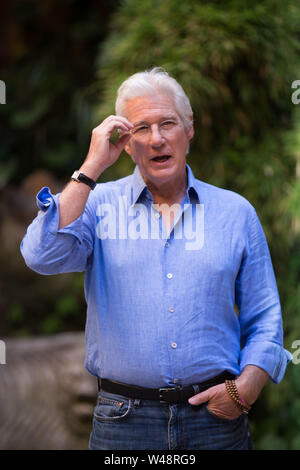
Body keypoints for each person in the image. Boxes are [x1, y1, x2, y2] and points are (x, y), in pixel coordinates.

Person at [20, 67, 292, 450]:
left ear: (189, 128)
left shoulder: (236, 212)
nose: (157, 139)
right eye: (141, 129)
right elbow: (39, 255)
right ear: (125, 143)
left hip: (215, 421)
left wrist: (248, 385)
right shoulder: (97, 206)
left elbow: (264, 316)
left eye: (168, 123)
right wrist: (91, 167)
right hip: (123, 423)